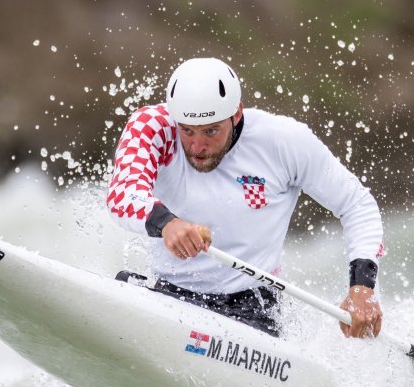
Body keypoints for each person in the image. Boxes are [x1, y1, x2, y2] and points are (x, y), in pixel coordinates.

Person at [106, 57, 384, 338]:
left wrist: (362, 287)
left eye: (211, 131)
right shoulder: (153, 126)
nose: (197, 146)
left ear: (236, 113)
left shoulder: (283, 141)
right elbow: (123, 193)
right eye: (187, 131)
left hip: (251, 306)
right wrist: (166, 222)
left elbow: (357, 205)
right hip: (167, 293)